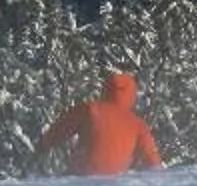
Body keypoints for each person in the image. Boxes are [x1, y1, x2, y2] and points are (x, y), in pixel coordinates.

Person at [36, 70, 165, 177]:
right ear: (131, 95)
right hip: (115, 182)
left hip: (80, 175)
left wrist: (43, 145)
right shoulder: (137, 124)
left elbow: (59, 130)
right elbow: (153, 161)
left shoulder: (90, 109)